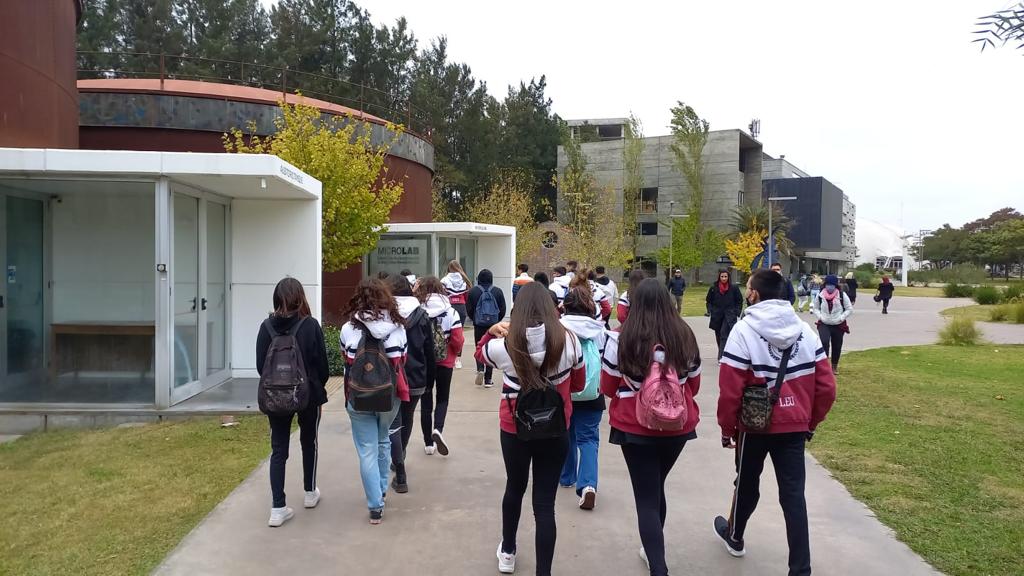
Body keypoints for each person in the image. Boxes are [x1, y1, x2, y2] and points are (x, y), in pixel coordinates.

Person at [715, 269, 837, 576]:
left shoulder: (743, 331)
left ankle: (735, 536)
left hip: (754, 427)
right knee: (793, 496)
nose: (747, 292)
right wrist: (811, 422)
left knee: (746, 483)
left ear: (754, 294)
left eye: (749, 288)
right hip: (794, 426)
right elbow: (827, 388)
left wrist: (727, 429)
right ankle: (800, 569)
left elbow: (730, 390)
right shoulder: (805, 330)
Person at [475, 282, 585, 575]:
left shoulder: (504, 345)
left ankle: (508, 552)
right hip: (556, 429)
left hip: (514, 429)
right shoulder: (569, 341)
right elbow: (578, 384)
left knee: (514, 487)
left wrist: (491, 330)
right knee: (545, 505)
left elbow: (479, 354)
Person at [600, 278, 702, 575]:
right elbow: (694, 385)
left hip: (634, 426)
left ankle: (659, 566)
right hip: (677, 426)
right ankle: (653, 549)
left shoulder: (620, 339)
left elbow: (608, 387)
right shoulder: (684, 336)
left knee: (646, 497)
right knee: (656, 487)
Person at [256, 278, 331, 528]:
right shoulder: (310, 325)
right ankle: (310, 492)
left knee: (279, 450)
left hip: (276, 396)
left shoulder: (266, 327)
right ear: (301, 297)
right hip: (308, 395)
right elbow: (323, 366)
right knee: (309, 442)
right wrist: (315, 387)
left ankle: (278, 507)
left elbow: (261, 366)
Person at [339, 278, 409, 524]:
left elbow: (346, 361)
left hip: (358, 395)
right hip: (389, 396)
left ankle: (375, 505)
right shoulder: (397, 327)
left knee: (366, 450)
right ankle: (381, 490)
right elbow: (402, 360)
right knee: (383, 440)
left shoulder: (348, 329)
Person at [558, 283, 608, 510]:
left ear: (565, 306)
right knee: (588, 439)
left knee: (565, 433)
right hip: (592, 393)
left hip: (565, 391)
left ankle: (567, 476)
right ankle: (588, 484)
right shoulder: (599, 331)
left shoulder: (559, 330)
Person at [387, 275, 435, 494]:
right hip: (416, 376)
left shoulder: (385, 314)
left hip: (389, 376)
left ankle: (399, 466)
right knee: (406, 420)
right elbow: (429, 351)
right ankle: (401, 457)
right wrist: (430, 379)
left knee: (392, 423)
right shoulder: (422, 315)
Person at [415, 276, 465, 455]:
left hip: (424, 363)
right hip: (445, 362)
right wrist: (455, 353)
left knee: (425, 401)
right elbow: (458, 340)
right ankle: (438, 429)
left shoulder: (417, 311)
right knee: (443, 398)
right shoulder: (450, 312)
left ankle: (428, 444)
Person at [468, 269, 508, 388]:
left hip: (478, 325)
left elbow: (469, 309)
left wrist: (475, 319)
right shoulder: (497, 291)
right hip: (493, 325)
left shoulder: (473, 291)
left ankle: (480, 368)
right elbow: (503, 309)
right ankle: (488, 379)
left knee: (479, 346)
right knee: (491, 348)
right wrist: (496, 321)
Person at [812, 274, 853, 374]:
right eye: (828, 284)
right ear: (825, 285)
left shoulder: (842, 295)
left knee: (837, 345)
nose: (829, 287)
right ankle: (825, 365)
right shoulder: (820, 295)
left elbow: (849, 309)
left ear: (835, 285)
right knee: (824, 342)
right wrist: (820, 317)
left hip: (838, 324)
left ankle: (834, 366)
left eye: (832, 285)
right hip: (824, 323)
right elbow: (815, 308)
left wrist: (841, 318)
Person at [706, 269, 743, 361]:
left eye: (725, 276)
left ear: (728, 277)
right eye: (722, 276)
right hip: (717, 315)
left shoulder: (734, 288)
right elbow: (709, 301)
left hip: (729, 315)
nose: (723, 278)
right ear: (719, 277)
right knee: (719, 335)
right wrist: (710, 310)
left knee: (724, 334)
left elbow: (739, 300)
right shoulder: (714, 288)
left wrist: (737, 311)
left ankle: (722, 356)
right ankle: (722, 351)